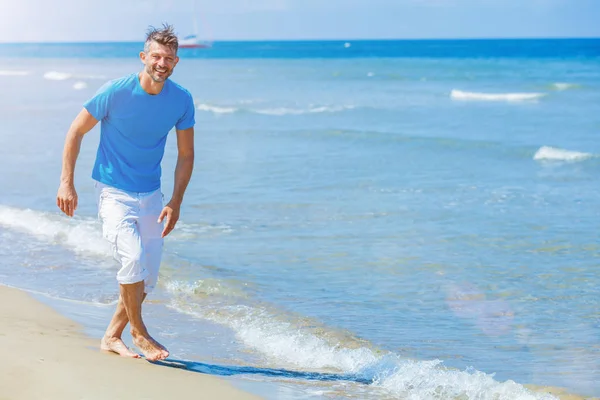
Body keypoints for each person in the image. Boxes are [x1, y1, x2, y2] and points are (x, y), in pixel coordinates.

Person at [56, 24, 195, 362]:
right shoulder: (115, 91)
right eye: (156, 57)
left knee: (147, 277)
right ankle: (139, 332)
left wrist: (176, 201)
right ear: (143, 57)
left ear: (176, 62)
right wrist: (66, 182)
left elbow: (186, 154)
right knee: (132, 260)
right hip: (113, 189)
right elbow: (76, 131)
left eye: (169, 58)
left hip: (151, 194)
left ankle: (111, 336)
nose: (162, 63)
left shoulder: (181, 99)